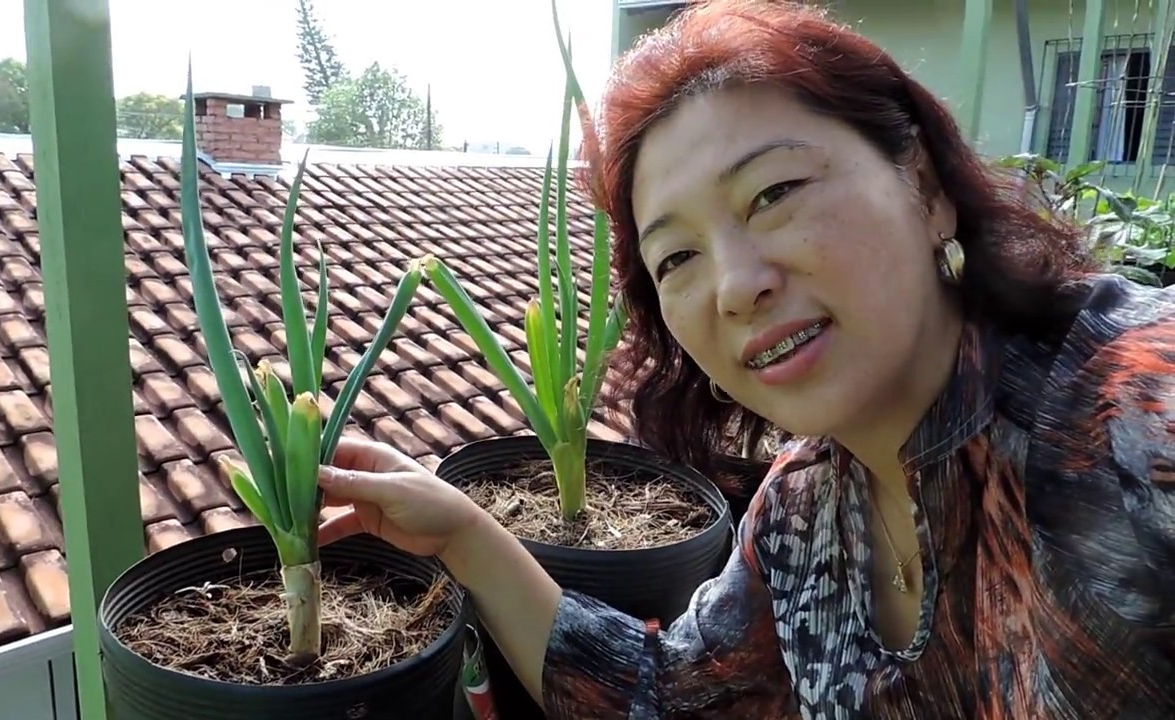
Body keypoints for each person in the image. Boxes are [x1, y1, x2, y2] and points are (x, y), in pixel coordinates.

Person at [315, 0, 1175, 717]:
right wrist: (461, 532)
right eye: (678, 258)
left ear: (925, 185)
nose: (734, 286)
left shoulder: (1131, 412)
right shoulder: (801, 515)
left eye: (774, 193)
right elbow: (669, 696)